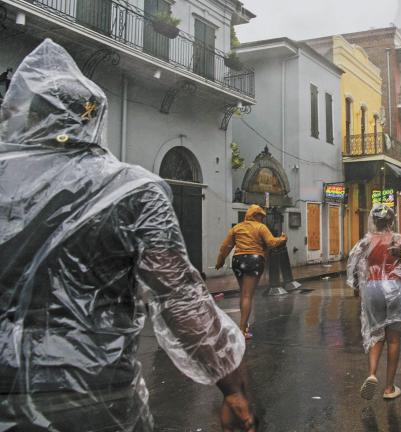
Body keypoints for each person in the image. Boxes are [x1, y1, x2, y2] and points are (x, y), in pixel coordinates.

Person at [0, 39, 255, 432]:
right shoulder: (134, 191)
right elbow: (181, 298)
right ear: (94, 120)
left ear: (29, 115)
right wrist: (233, 386)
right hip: (96, 395)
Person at [347, 204, 401, 400]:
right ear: (391, 221)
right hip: (394, 288)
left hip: (372, 288)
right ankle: (389, 388)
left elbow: (353, 267)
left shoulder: (366, 242)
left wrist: (356, 287)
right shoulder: (397, 240)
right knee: (393, 338)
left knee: (376, 334)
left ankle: (371, 374)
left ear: (374, 220)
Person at [215, 205, 287, 339]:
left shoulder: (237, 227)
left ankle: (244, 325)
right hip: (254, 260)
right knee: (248, 295)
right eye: (260, 216)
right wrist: (282, 239)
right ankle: (242, 330)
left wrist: (220, 261)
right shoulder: (260, 227)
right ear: (254, 215)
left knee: (243, 294)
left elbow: (225, 246)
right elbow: (271, 242)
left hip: (237, 261)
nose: (262, 219)